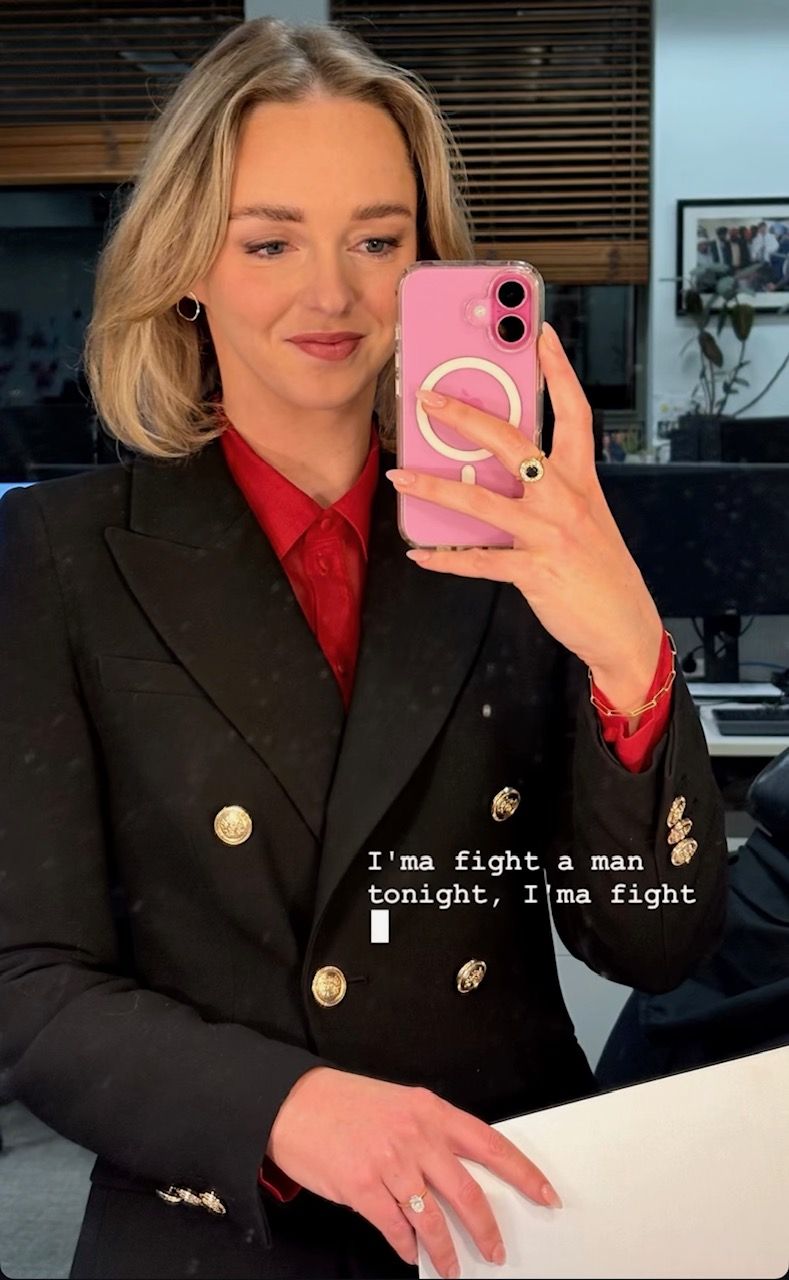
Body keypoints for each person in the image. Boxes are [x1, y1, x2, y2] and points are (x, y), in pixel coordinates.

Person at [0, 17, 728, 1280]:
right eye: (269, 240)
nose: (332, 294)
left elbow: (654, 944)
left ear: (429, 262)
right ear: (187, 261)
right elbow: (25, 978)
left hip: (507, 1215)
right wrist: (286, 1105)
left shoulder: (530, 541)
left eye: (378, 241)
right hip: (212, 1226)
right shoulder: (58, 556)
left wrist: (626, 645)